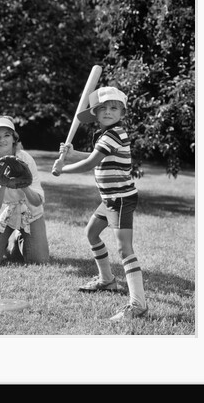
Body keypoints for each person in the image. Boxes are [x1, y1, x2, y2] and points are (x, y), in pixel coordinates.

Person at [52, 86, 148, 321]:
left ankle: (138, 305)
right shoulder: (106, 136)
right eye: (102, 108)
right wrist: (73, 154)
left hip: (121, 198)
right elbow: (95, 155)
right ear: (94, 113)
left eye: (114, 108)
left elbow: (92, 162)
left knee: (124, 248)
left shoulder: (115, 133)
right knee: (92, 233)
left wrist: (63, 169)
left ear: (122, 113)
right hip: (109, 198)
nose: (107, 111)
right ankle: (107, 281)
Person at [0, 115, 49, 266]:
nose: (2, 140)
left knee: (39, 261)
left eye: (7, 135)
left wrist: (23, 183)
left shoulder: (26, 160)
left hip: (30, 213)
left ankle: (19, 239)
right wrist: (2, 183)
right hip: (2, 214)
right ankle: (4, 240)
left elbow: (37, 202)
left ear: (14, 138)